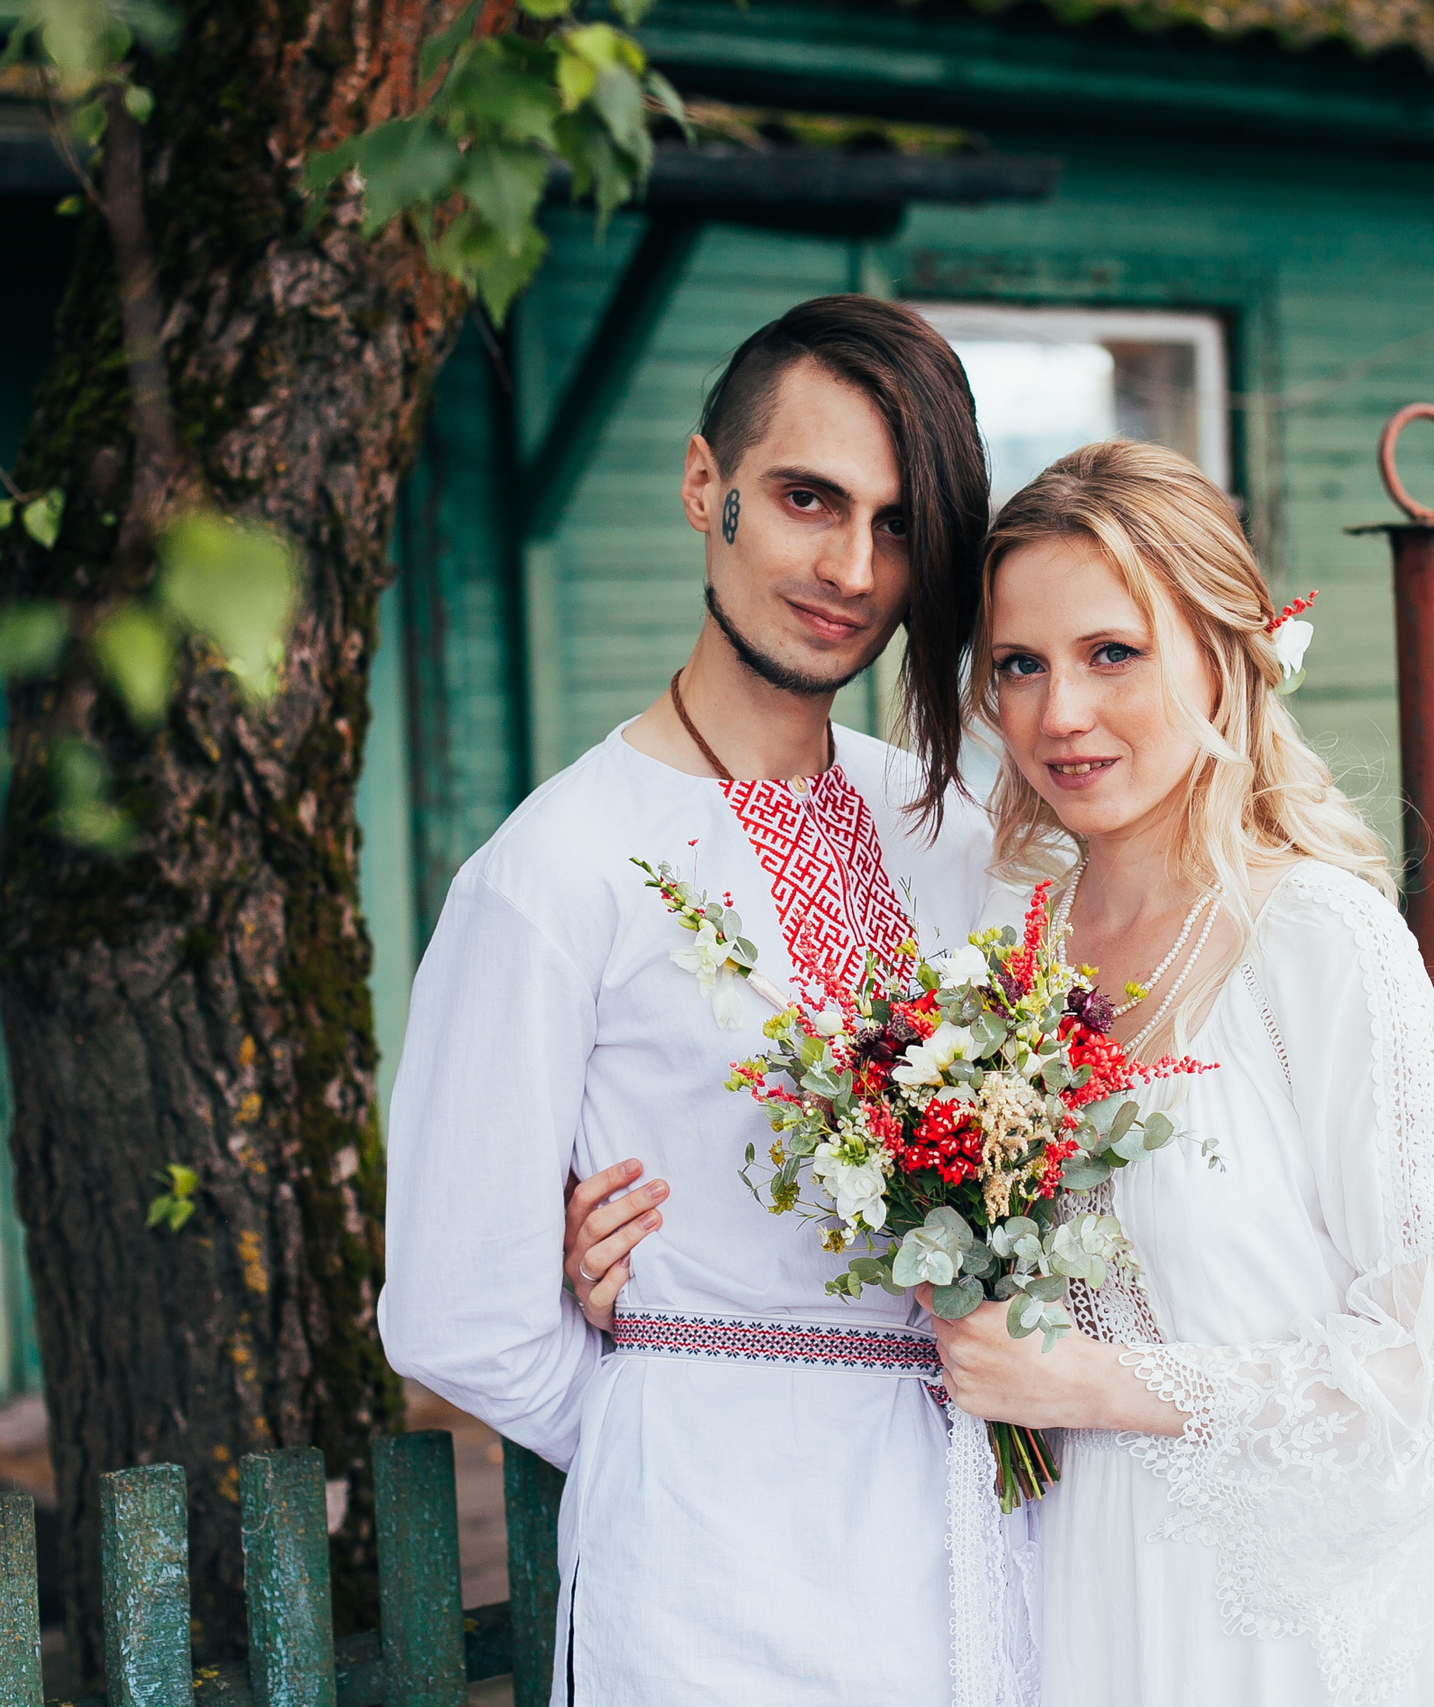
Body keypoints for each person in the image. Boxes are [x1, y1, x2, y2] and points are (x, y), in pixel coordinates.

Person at [377, 296, 997, 1706]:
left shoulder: (943, 826)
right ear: (705, 484)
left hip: (976, 1519)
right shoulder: (555, 871)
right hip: (717, 1561)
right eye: (806, 498)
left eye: (897, 524)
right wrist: (669, 1406)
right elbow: (453, 1310)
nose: (850, 565)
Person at [918, 440, 1434, 1706]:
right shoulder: (1011, 961)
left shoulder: (1315, 938)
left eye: (1113, 653)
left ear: (1220, 655)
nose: (1060, 715)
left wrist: (1093, 1383)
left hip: (1309, 1633)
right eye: (1019, 666)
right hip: (1093, 1603)